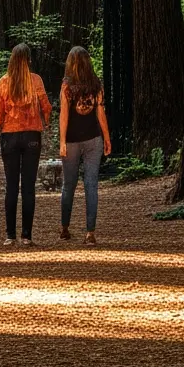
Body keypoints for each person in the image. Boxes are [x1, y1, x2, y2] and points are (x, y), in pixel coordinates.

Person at [0, 42, 52, 247]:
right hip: (32, 135)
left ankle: (9, 235)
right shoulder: (36, 80)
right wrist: (46, 121)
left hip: (10, 137)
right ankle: (26, 236)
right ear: (29, 60)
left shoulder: (4, 82)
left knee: (12, 187)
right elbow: (46, 106)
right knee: (29, 187)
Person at [57, 44, 111, 245]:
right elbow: (100, 113)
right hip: (93, 139)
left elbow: (64, 116)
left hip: (71, 141)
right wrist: (106, 138)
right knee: (91, 185)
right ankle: (90, 233)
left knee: (68, 185)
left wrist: (62, 141)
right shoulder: (96, 84)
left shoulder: (67, 86)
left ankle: (64, 228)